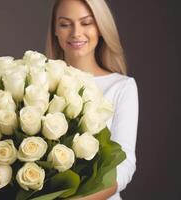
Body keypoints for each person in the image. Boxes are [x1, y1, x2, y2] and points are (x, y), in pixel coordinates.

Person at [45, 0, 139, 200]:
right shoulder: (38, 83)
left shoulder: (121, 87)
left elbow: (124, 164)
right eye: (65, 24)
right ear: (55, 30)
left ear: (101, 27)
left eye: (86, 22)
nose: (76, 33)